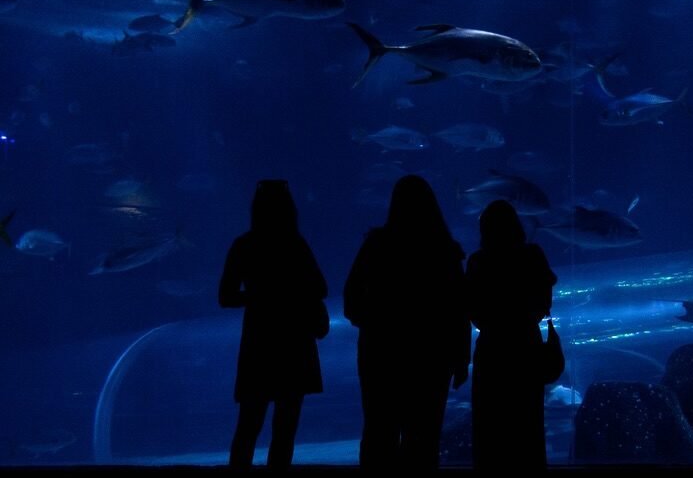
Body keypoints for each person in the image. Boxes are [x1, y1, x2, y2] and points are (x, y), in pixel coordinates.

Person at [343, 174, 470, 470]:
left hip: (380, 353)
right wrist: (461, 358)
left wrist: (375, 324)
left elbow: (351, 296)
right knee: (423, 436)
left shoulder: (376, 244)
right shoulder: (445, 250)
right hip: (432, 355)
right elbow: (458, 309)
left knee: (379, 432)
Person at [218, 179, 329, 470]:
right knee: (286, 426)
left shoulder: (244, 245)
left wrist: (258, 295)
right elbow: (320, 287)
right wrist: (290, 294)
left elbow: (226, 296)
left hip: (259, 341)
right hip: (294, 340)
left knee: (248, 424)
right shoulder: (295, 244)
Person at [466, 199, 558, 470]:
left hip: (492, 350)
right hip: (526, 346)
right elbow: (544, 303)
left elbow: (472, 311)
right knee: (527, 425)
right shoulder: (533, 254)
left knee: (490, 427)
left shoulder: (478, 261)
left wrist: (494, 323)